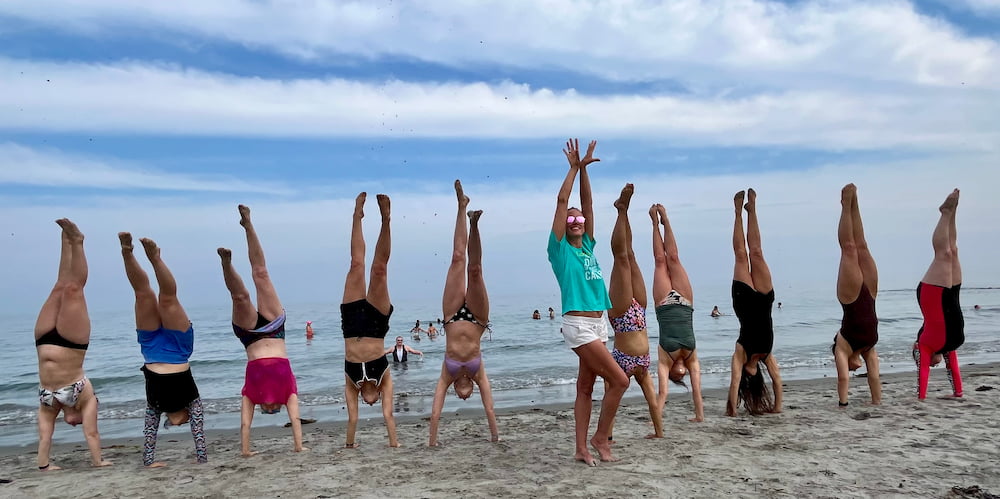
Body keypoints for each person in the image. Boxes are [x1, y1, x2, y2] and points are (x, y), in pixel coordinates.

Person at [547, 139, 628, 465]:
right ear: (565, 227)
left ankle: (581, 448)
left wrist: (584, 171)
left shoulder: (588, 247)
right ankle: (599, 437)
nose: (577, 220)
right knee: (620, 380)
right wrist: (571, 168)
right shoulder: (561, 251)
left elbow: (588, 205)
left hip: (598, 324)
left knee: (585, 388)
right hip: (579, 325)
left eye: (579, 219)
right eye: (571, 219)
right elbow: (563, 200)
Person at [218, 205, 306, 456]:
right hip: (275, 328)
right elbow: (296, 420)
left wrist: (246, 451)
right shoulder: (288, 394)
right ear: (276, 407)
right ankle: (248, 223)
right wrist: (299, 446)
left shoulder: (251, 396)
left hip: (248, 337)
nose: (269, 409)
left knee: (240, 297)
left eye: (266, 412)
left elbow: (245, 424)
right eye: (272, 410)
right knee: (261, 274)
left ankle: (226, 264)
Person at [119, 233, 207, 467]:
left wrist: (149, 463)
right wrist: (201, 460)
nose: (181, 424)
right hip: (179, 349)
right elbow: (199, 436)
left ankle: (126, 251)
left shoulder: (155, 408)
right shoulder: (194, 406)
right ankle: (155, 258)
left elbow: (149, 436)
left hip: (150, 348)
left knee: (142, 295)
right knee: (168, 299)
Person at [34, 219, 111, 471]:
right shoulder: (86, 396)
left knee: (60, 287)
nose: (76, 425)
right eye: (79, 422)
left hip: (43, 341)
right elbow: (92, 433)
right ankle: (75, 241)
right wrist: (99, 461)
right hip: (72, 343)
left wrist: (44, 466)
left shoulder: (49, 406)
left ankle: (64, 239)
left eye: (74, 424)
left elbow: (45, 437)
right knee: (73, 289)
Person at [428, 180, 500, 446]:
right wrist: (495, 435)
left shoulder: (447, 375)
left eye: (462, 397)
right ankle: (474, 222)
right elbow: (490, 408)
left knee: (459, 259)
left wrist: (432, 441)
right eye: (467, 397)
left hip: (450, 317)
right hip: (478, 319)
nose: (464, 397)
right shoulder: (477, 374)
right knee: (474, 269)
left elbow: (435, 411)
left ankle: (463, 209)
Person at [604, 185, 663, 440]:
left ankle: (623, 210)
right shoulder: (629, 369)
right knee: (623, 259)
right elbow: (610, 401)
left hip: (637, 336)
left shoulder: (642, 372)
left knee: (630, 256)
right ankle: (621, 210)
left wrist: (659, 434)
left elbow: (653, 401)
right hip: (624, 327)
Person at [342, 192, 400, 448]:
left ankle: (358, 215)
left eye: (370, 404)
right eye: (374, 402)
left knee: (357, 265)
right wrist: (394, 443)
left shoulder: (351, 383)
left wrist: (349, 445)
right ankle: (385, 219)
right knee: (380, 270)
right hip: (377, 326)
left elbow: (352, 418)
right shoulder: (385, 379)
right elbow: (389, 414)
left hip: (351, 326)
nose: (371, 403)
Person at [726, 189, 782, 417]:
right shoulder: (766, 356)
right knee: (757, 253)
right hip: (765, 299)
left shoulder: (741, 352)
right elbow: (777, 380)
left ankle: (739, 212)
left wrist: (732, 411)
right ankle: (753, 209)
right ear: (755, 377)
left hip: (744, 301)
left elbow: (734, 380)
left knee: (742, 254)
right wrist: (778, 408)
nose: (747, 375)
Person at [650, 203, 704, 423]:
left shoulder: (664, 360)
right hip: (685, 302)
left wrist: (656, 418)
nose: (682, 374)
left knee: (661, 261)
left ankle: (656, 221)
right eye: (684, 376)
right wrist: (700, 416)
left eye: (678, 376)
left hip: (663, 305)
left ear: (673, 373)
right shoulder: (692, 360)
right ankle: (665, 218)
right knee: (672, 258)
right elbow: (697, 391)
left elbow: (662, 393)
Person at [831, 184, 881, 407]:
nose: (852, 369)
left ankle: (845, 205)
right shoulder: (869, 348)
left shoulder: (843, 345)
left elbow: (843, 378)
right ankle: (855, 200)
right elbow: (874, 376)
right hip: (870, 294)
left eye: (850, 367)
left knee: (849, 248)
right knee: (861, 245)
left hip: (850, 298)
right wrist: (876, 401)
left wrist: (843, 404)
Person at [914, 189, 965, 400]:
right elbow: (953, 371)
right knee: (952, 251)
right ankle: (952, 213)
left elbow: (922, 372)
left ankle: (945, 213)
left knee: (942, 254)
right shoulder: (949, 346)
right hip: (951, 297)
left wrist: (921, 398)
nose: (935, 366)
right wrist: (957, 393)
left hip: (932, 295)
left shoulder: (925, 344)